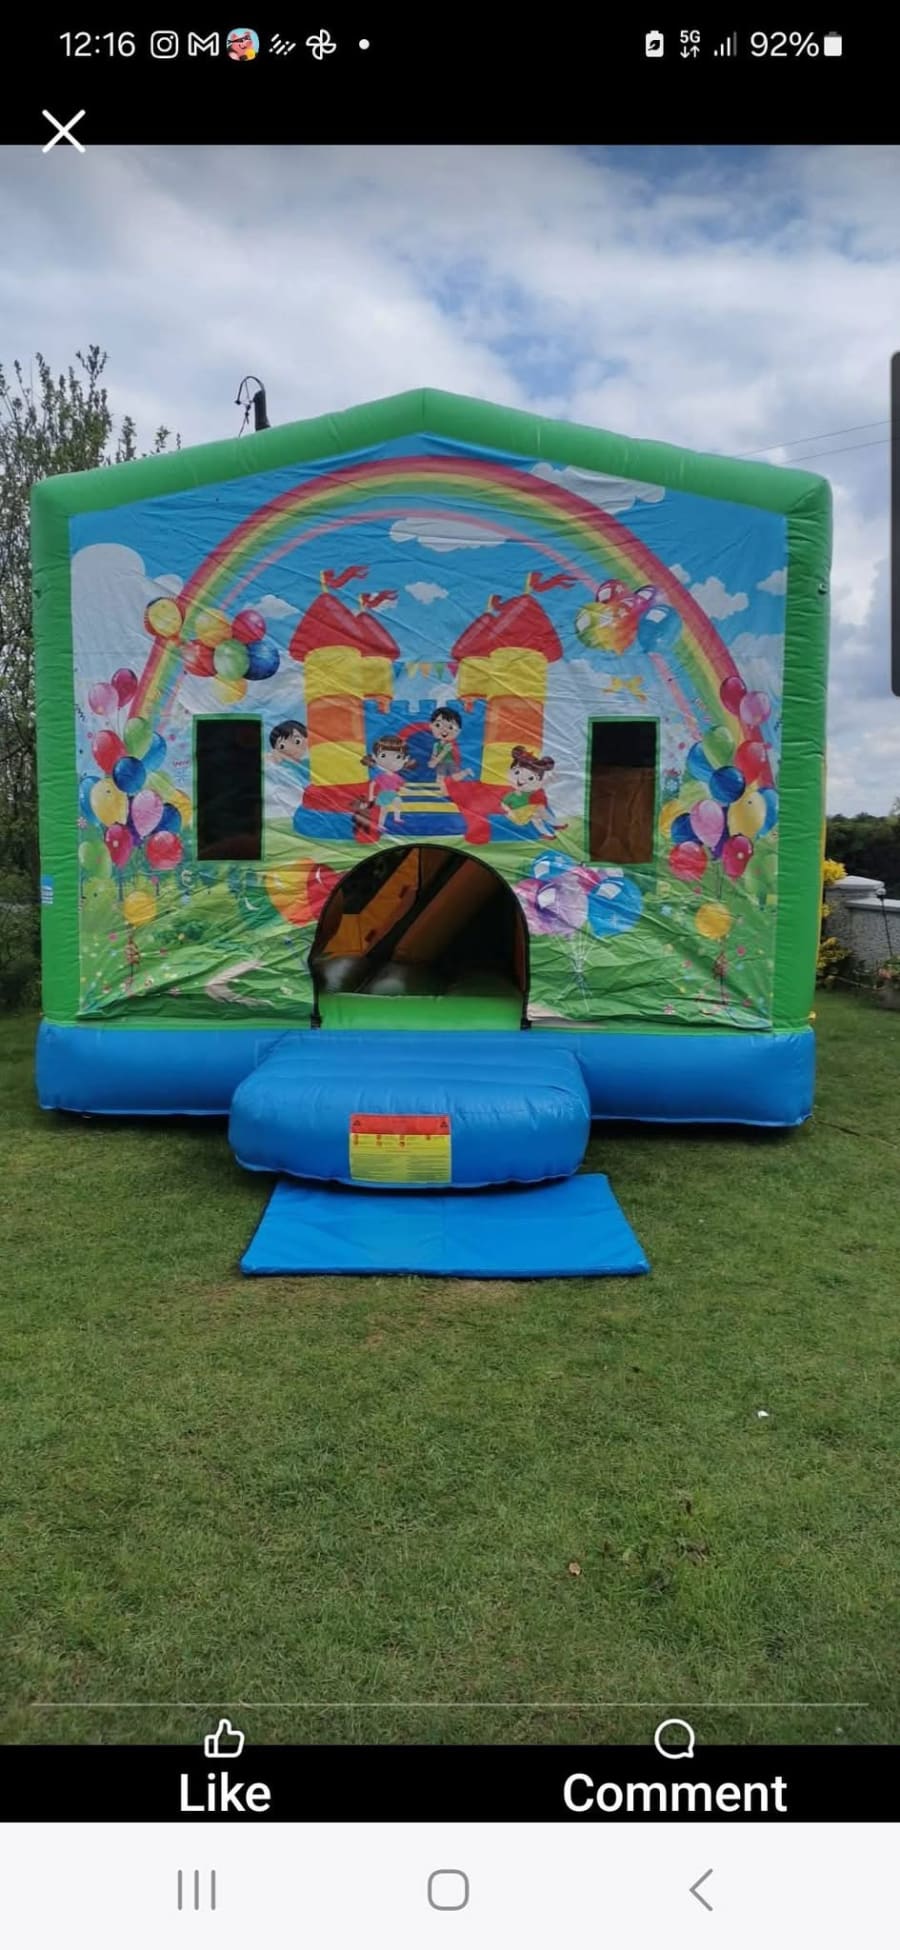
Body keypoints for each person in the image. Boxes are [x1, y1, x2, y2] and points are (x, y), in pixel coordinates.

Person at [501, 746, 566, 839]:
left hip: (532, 806)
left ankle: (552, 828)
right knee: (537, 816)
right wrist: (509, 811)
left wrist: (550, 777)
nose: (521, 781)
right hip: (523, 811)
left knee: (540, 813)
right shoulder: (514, 794)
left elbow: (544, 782)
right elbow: (504, 803)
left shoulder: (532, 790)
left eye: (530, 778)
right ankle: (549, 830)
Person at [365, 735, 414, 834]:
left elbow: (401, 785)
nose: (390, 762)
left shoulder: (396, 777)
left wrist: (407, 790)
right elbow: (372, 784)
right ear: (374, 757)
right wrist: (370, 797)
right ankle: (380, 825)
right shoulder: (382, 776)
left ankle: (397, 817)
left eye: (398, 757)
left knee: (398, 801)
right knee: (384, 810)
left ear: (405, 759)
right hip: (384, 794)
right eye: (383, 756)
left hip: (393, 794)